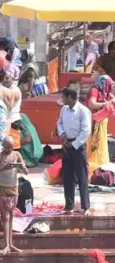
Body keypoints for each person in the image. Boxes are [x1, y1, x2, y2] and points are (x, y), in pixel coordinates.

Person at [57, 85, 91, 213]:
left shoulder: (83, 111)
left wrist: (75, 143)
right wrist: (61, 133)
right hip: (66, 144)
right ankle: (69, 204)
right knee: (67, 176)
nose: (62, 99)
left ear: (70, 97)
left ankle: (85, 206)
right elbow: (59, 123)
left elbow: (86, 130)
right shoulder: (64, 109)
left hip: (78, 145)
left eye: (63, 97)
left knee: (82, 176)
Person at [0, 136, 28, 256]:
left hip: (14, 187)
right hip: (3, 187)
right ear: (3, 146)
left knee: (12, 214)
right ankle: (6, 244)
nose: (9, 150)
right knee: (5, 216)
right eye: (6, 147)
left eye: (11, 147)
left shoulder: (17, 154)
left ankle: (11, 244)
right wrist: (2, 168)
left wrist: (21, 166)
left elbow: (26, 172)